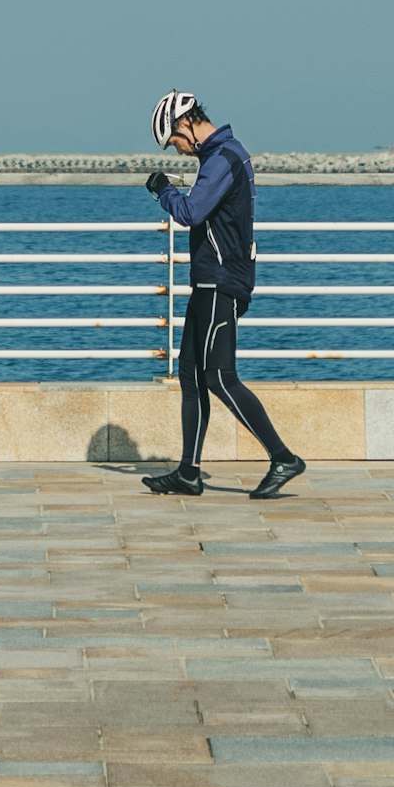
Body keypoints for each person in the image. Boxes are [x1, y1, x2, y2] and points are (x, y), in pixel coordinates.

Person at [141, 92, 305, 498]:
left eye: (174, 142)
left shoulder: (223, 158)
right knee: (191, 376)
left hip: (221, 281)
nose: (177, 151)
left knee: (218, 376)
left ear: (185, 125)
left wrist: (163, 190)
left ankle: (283, 457)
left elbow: (190, 213)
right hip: (210, 279)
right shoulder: (221, 156)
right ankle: (188, 472)